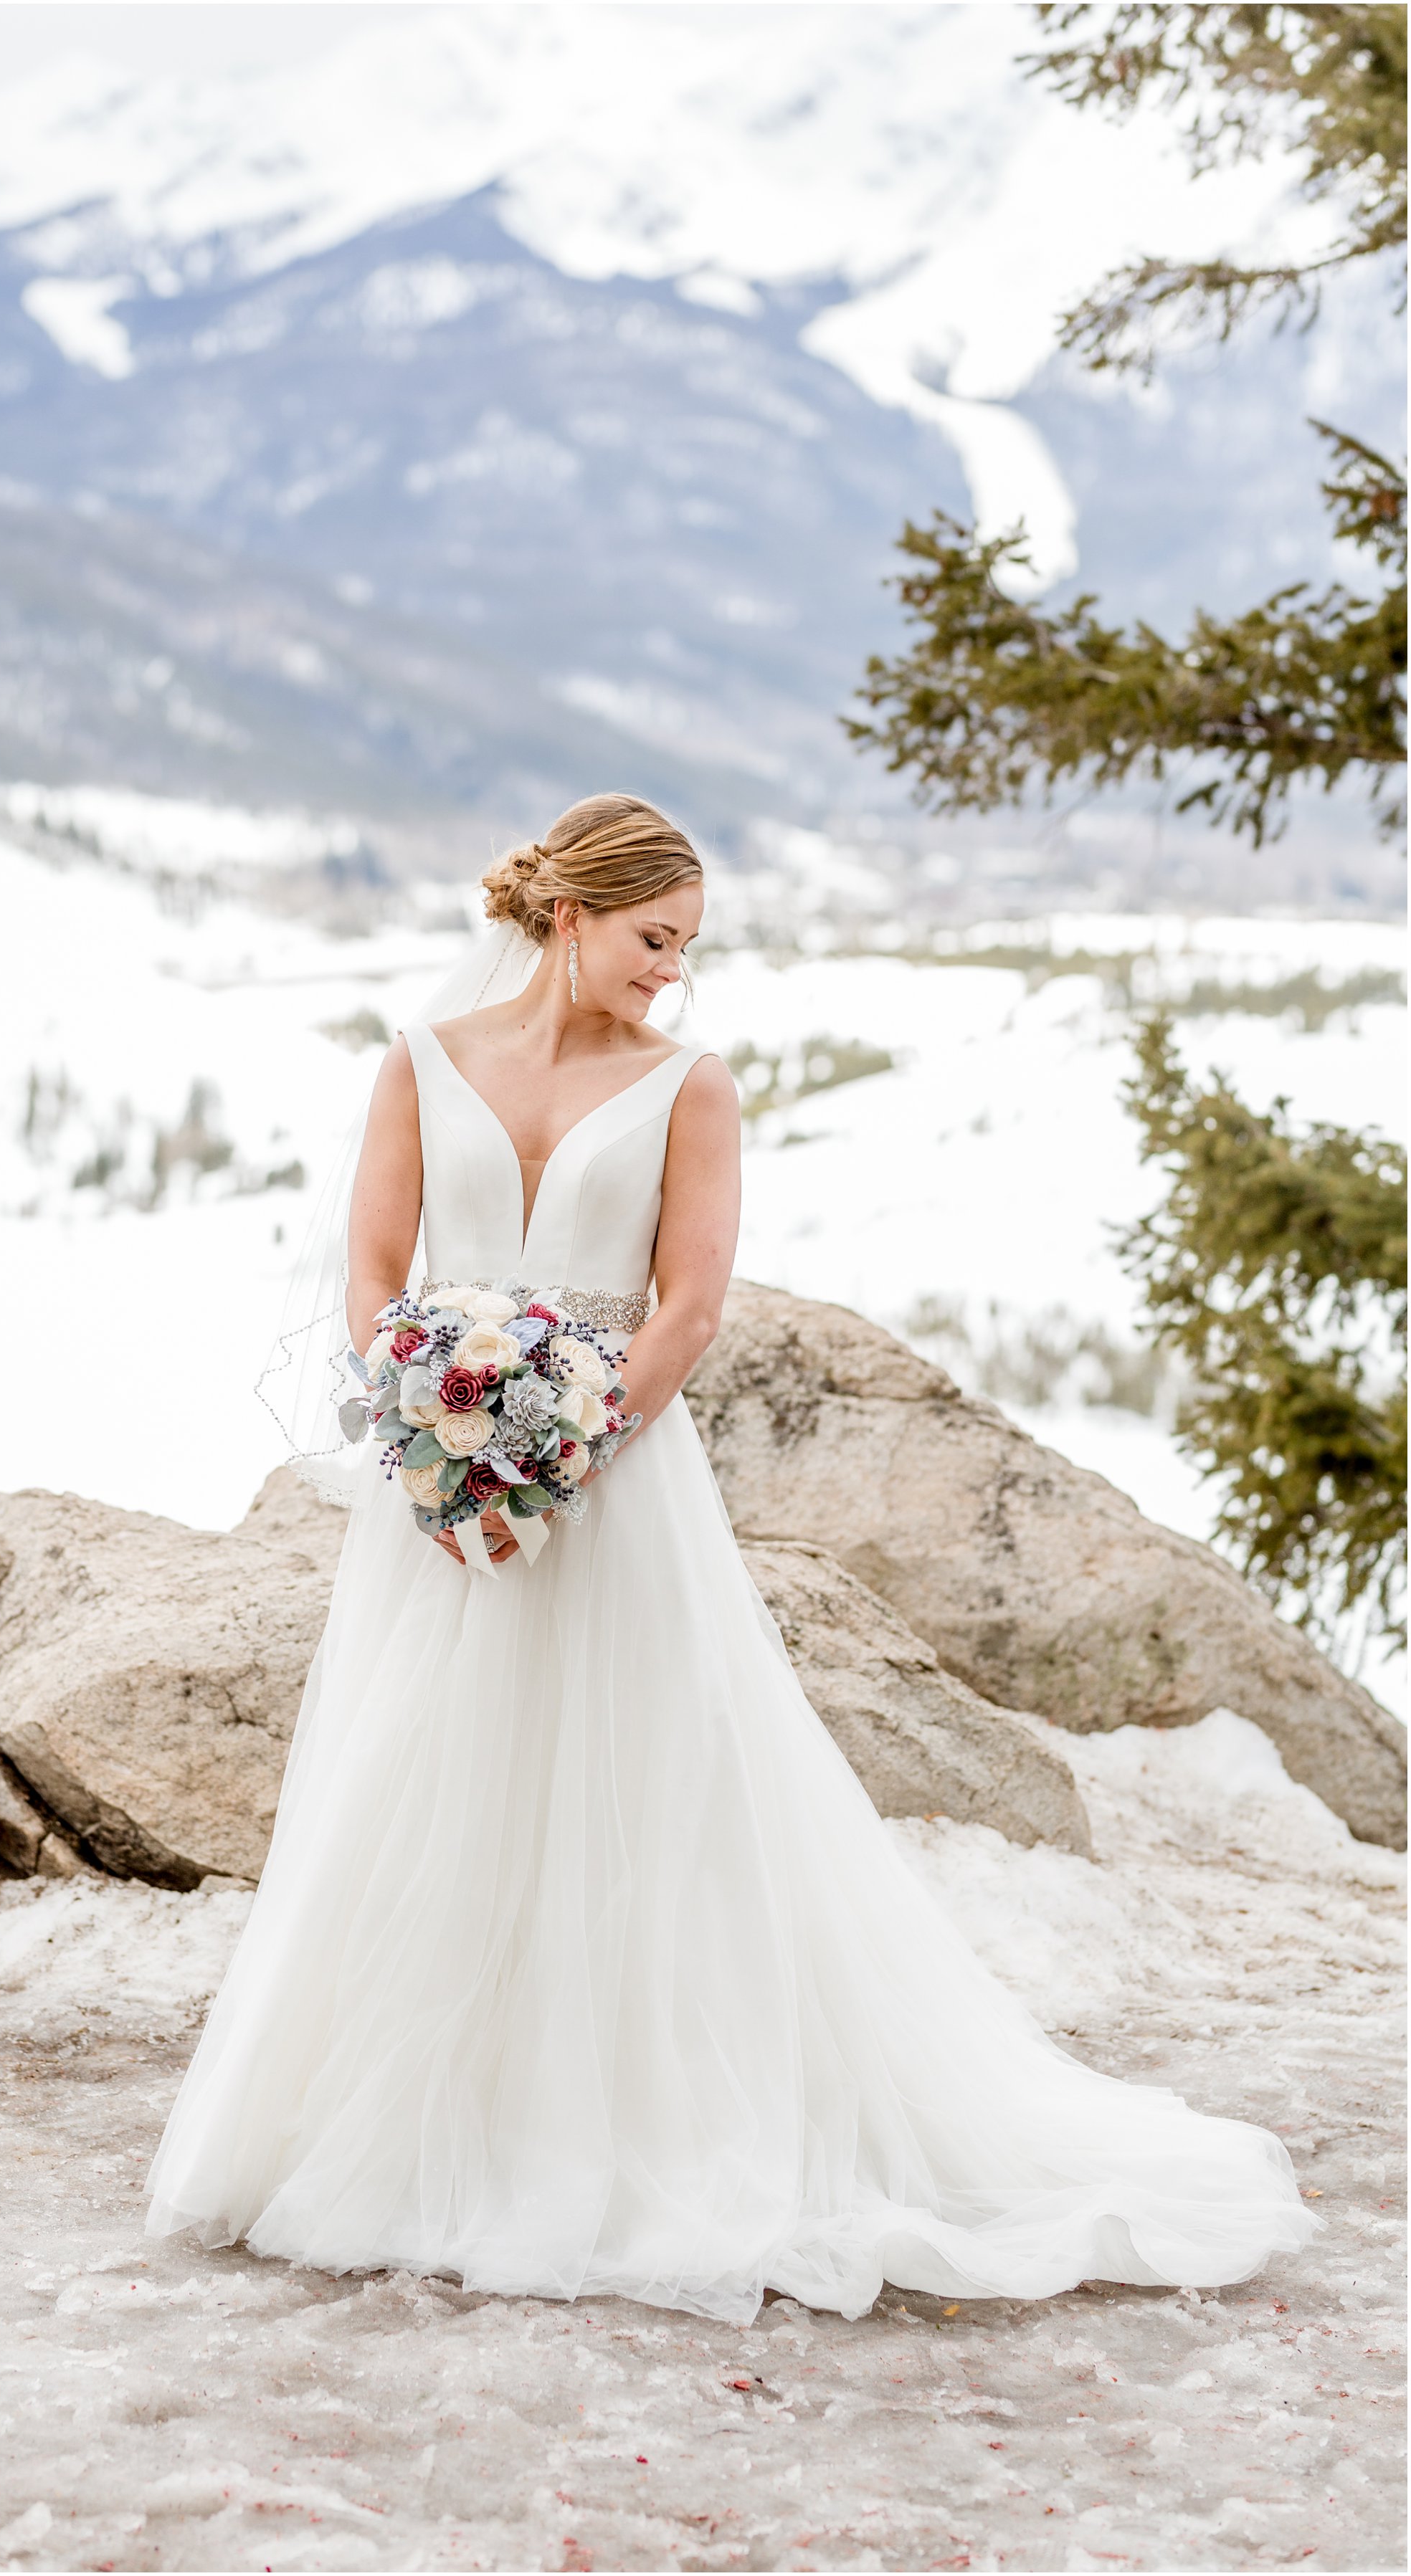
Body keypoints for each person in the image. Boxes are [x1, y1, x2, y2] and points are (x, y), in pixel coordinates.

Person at [146, 792, 1313, 2326]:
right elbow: (375, 1274)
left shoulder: (692, 1088)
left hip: (614, 1488)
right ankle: (410, 2132)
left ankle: (616, 2131)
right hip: (439, 1502)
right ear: (570, 917)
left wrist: (557, 1452)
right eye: (651, 941)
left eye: (687, 949)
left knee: (637, 1795)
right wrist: (438, 1423)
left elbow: (689, 1308)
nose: (671, 975)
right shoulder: (416, 1067)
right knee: (428, 1786)